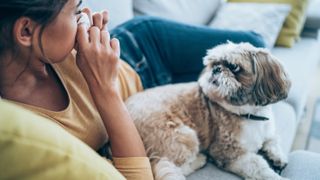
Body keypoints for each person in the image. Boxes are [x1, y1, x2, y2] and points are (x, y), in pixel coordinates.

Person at [0, 0, 265, 179]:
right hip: (153, 104)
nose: (86, 16)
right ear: (26, 31)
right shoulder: (27, 128)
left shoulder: (51, 53)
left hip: (143, 47)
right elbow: (137, 176)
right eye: (74, 11)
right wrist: (104, 88)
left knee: (254, 48)